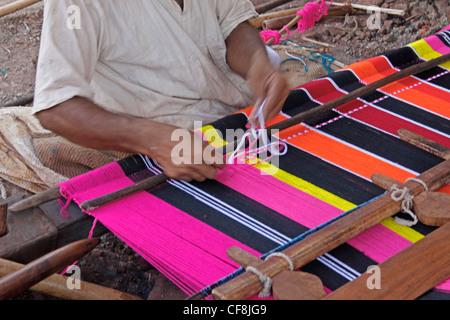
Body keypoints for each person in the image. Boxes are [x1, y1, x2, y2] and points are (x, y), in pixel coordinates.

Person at [32, 0, 290, 183]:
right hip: (171, 137)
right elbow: (56, 105)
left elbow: (233, 24)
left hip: (240, 118)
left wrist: (258, 66)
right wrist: (152, 139)